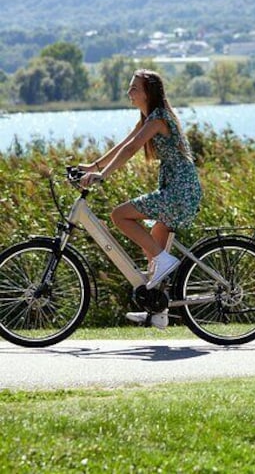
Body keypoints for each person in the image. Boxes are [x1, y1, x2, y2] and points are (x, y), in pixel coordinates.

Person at [79, 69, 202, 330]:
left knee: (119, 215)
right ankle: (157, 313)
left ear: (148, 93)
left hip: (178, 192)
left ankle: (165, 261)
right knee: (152, 254)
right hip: (177, 189)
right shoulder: (149, 118)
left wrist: (103, 174)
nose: (129, 92)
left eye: (134, 88)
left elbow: (132, 149)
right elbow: (125, 143)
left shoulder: (159, 119)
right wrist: (93, 166)